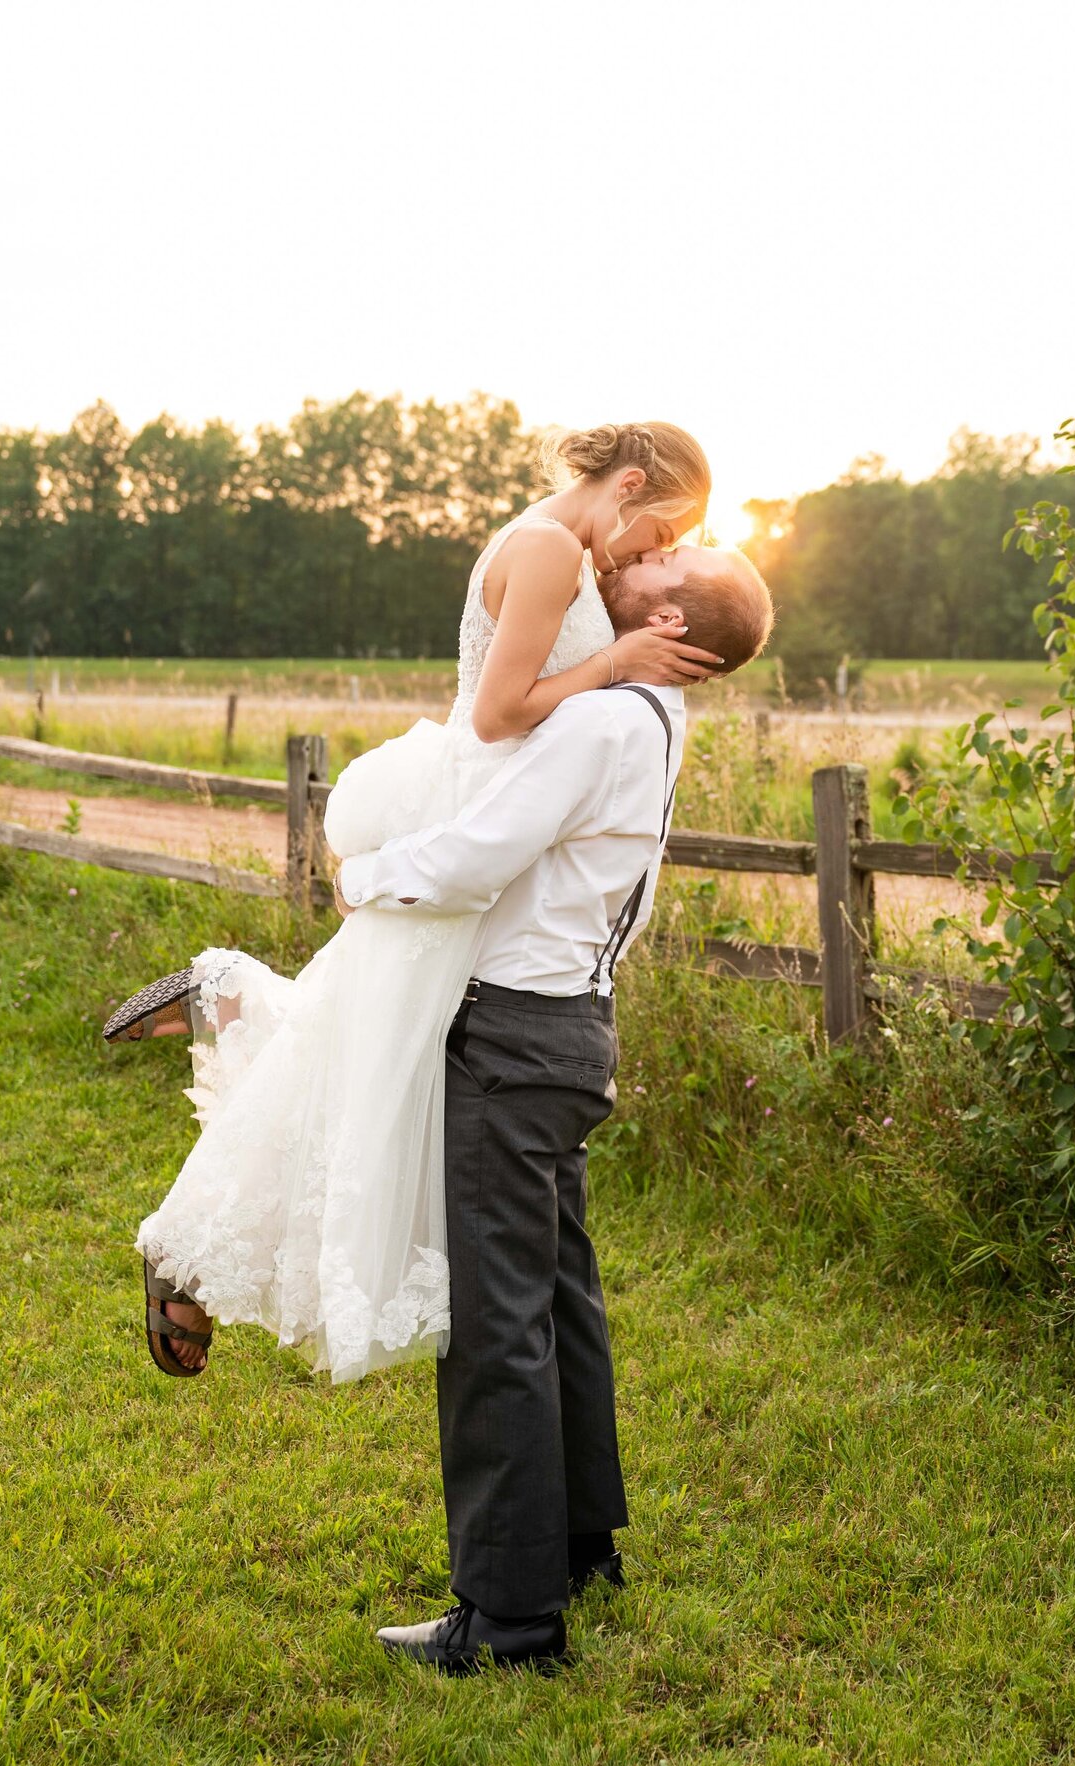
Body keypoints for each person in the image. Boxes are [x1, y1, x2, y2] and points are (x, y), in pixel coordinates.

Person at [116, 424, 718, 1384]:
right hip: (478, 804)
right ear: (630, 485)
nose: (650, 556)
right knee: (372, 1071)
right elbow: (500, 710)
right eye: (659, 535)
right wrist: (617, 663)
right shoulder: (553, 547)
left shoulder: (557, 547)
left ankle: (224, 1013)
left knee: (364, 1053)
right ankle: (191, 1220)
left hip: (500, 811)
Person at [338, 539, 774, 1671]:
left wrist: (362, 874)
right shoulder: (655, 721)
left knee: (496, 1330)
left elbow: (477, 856)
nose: (643, 558)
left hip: (515, 1034)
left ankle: (510, 1619)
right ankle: (579, 1548)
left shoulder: (602, 721)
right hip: (571, 1028)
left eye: (670, 564)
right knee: (558, 1304)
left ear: (673, 626)